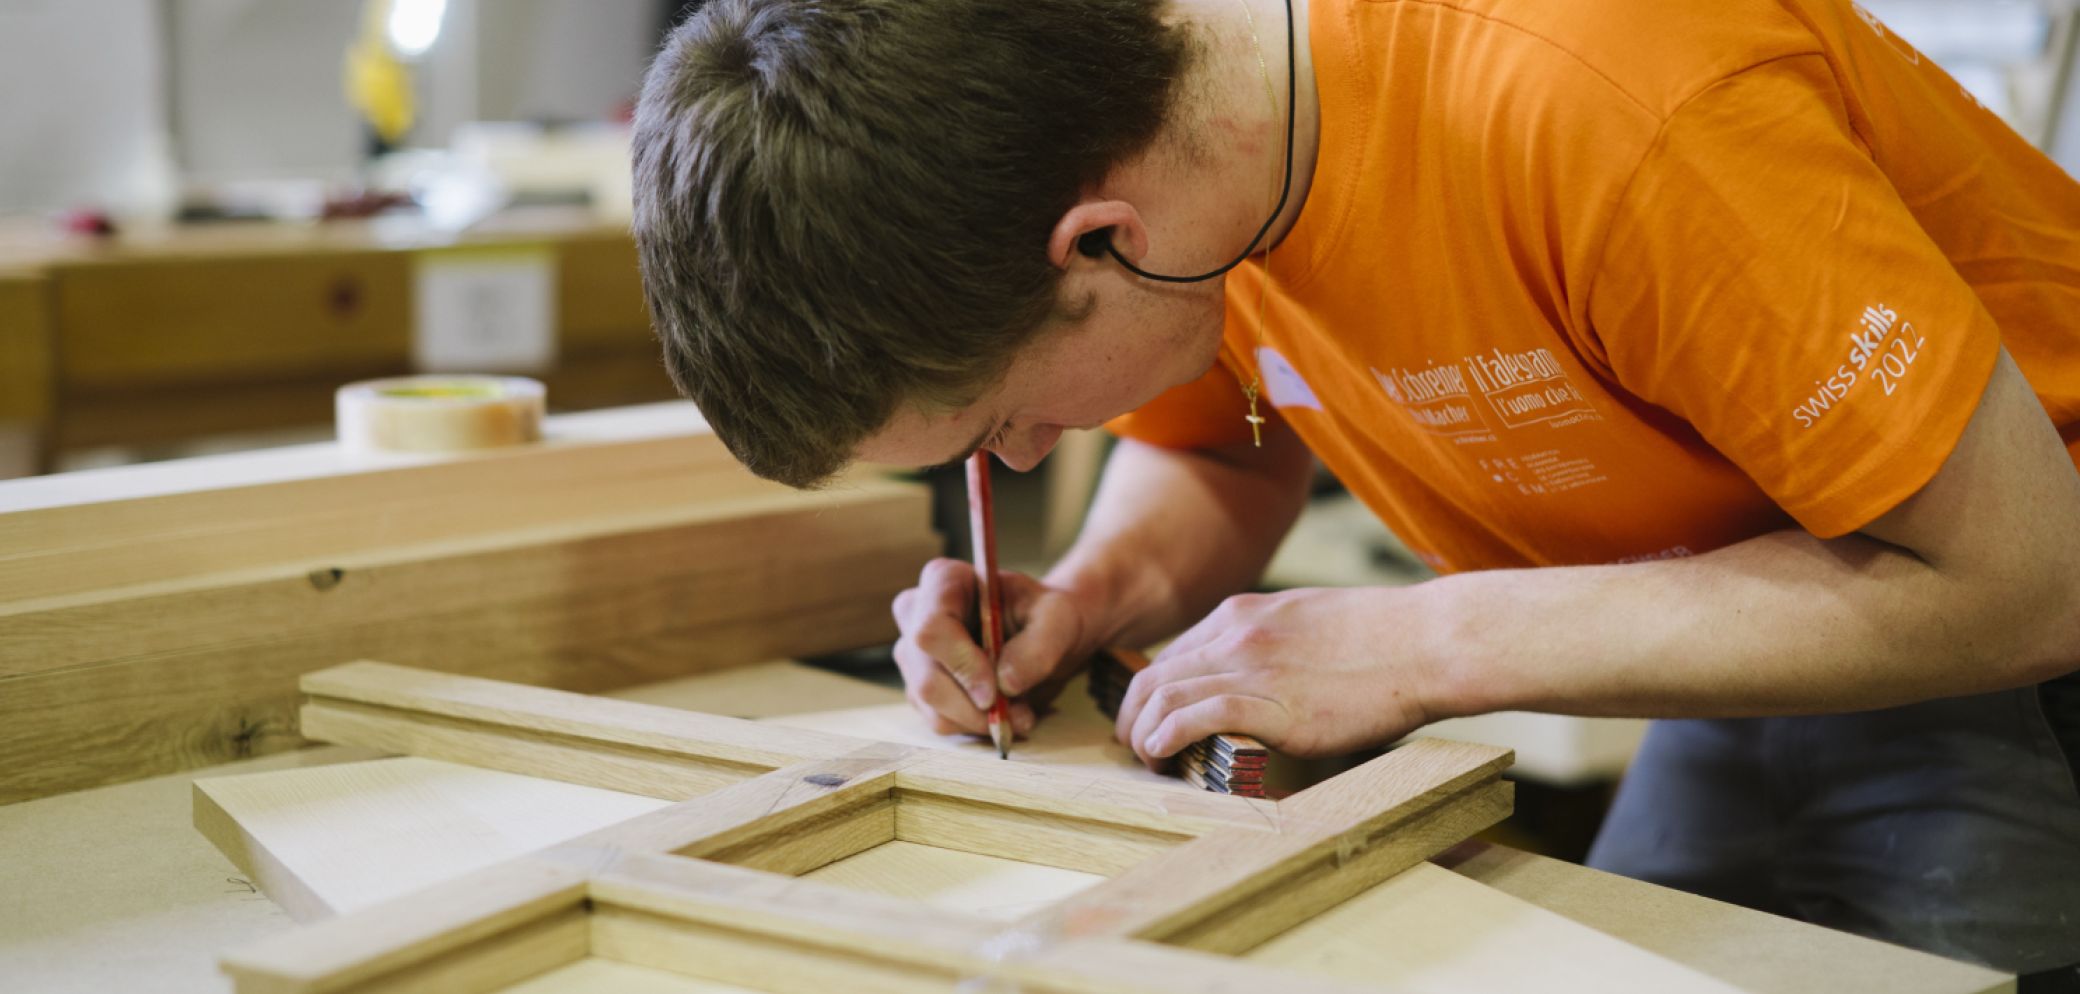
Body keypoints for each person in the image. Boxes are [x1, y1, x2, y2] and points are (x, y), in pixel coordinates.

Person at [629, 0, 2080, 975]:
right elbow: (1231, 440)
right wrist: (1090, 597)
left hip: (2008, 627)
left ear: (1098, 243)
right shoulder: (1183, 165)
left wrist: (1420, 644)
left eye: (1005, 420)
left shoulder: (1604, 102)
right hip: (1754, 626)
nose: (1016, 463)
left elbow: (2030, 580)